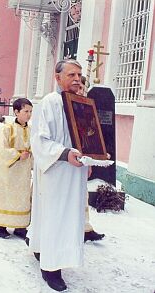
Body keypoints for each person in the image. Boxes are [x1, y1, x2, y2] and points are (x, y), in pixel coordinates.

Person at [28, 59, 91, 291]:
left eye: (79, 75)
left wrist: (90, 157)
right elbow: (40, 140)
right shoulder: (50, 102)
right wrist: (64, 154)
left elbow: (88, 135)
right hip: (56, 169)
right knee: (55, 216)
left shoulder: (81, 103)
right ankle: (51, 269)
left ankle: (43, 248)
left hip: (76, 171)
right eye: (71, 75)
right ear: (57, 78)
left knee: (68, 216)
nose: (77, 79)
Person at [0, 98, 33, 240]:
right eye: (26, 111)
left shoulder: (31, 130)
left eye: (30, 111)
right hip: (8, 170)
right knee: (5, 195)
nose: (29, 114)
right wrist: (17, 155)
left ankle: (20, 226)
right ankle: (0, 225)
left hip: (23, 171)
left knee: (21, 197)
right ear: (16, 112)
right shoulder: (7, 128)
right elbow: (0, 148)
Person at [77, 75, 105, 242]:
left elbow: (89, 138)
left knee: (82, 197)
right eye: (78, 87)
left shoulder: (85, 108)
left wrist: (90, 161)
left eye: (83, 88)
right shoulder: (61, 105)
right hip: (64, 160)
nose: (80, 91)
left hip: (82, 161)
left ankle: (85, 228)